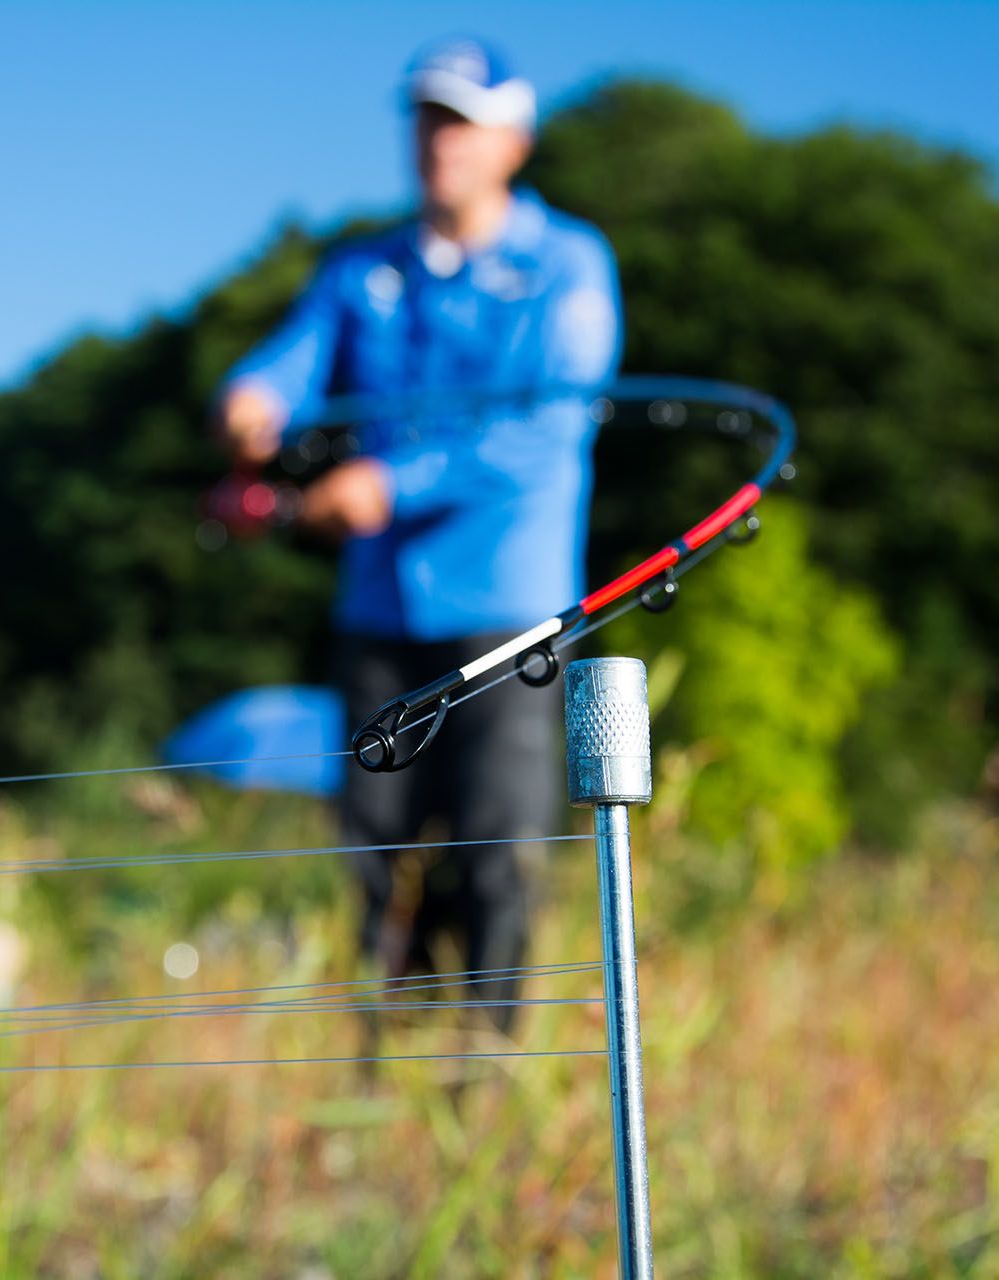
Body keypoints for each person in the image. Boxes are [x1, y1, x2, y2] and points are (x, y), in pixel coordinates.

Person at [213, 36, 622, 1030]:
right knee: (374, 852)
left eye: (464, 121)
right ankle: (378, 1068)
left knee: (496, 850)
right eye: (429, 118)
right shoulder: (362, 270)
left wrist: (389, 482)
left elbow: (546, 427)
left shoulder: (566, 264)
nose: (441, 140)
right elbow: (285, 365)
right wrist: (250, 400)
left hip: (511, 616)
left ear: (513, 141)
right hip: (379, 614)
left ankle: (483, 1070)